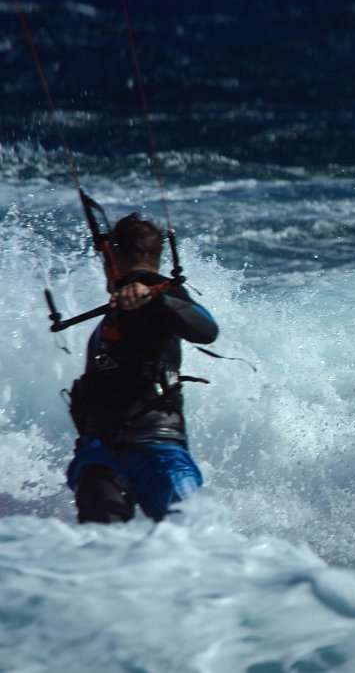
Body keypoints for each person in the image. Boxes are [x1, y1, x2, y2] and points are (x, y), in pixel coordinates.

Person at [65, 213, 219, 523]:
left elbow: (207, 330)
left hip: (157, 450)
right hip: (101, 454)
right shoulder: (115, 311)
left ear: (113, 257)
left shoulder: (162, 295)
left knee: (197, 532)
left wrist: (154, 297)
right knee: (101, 534)